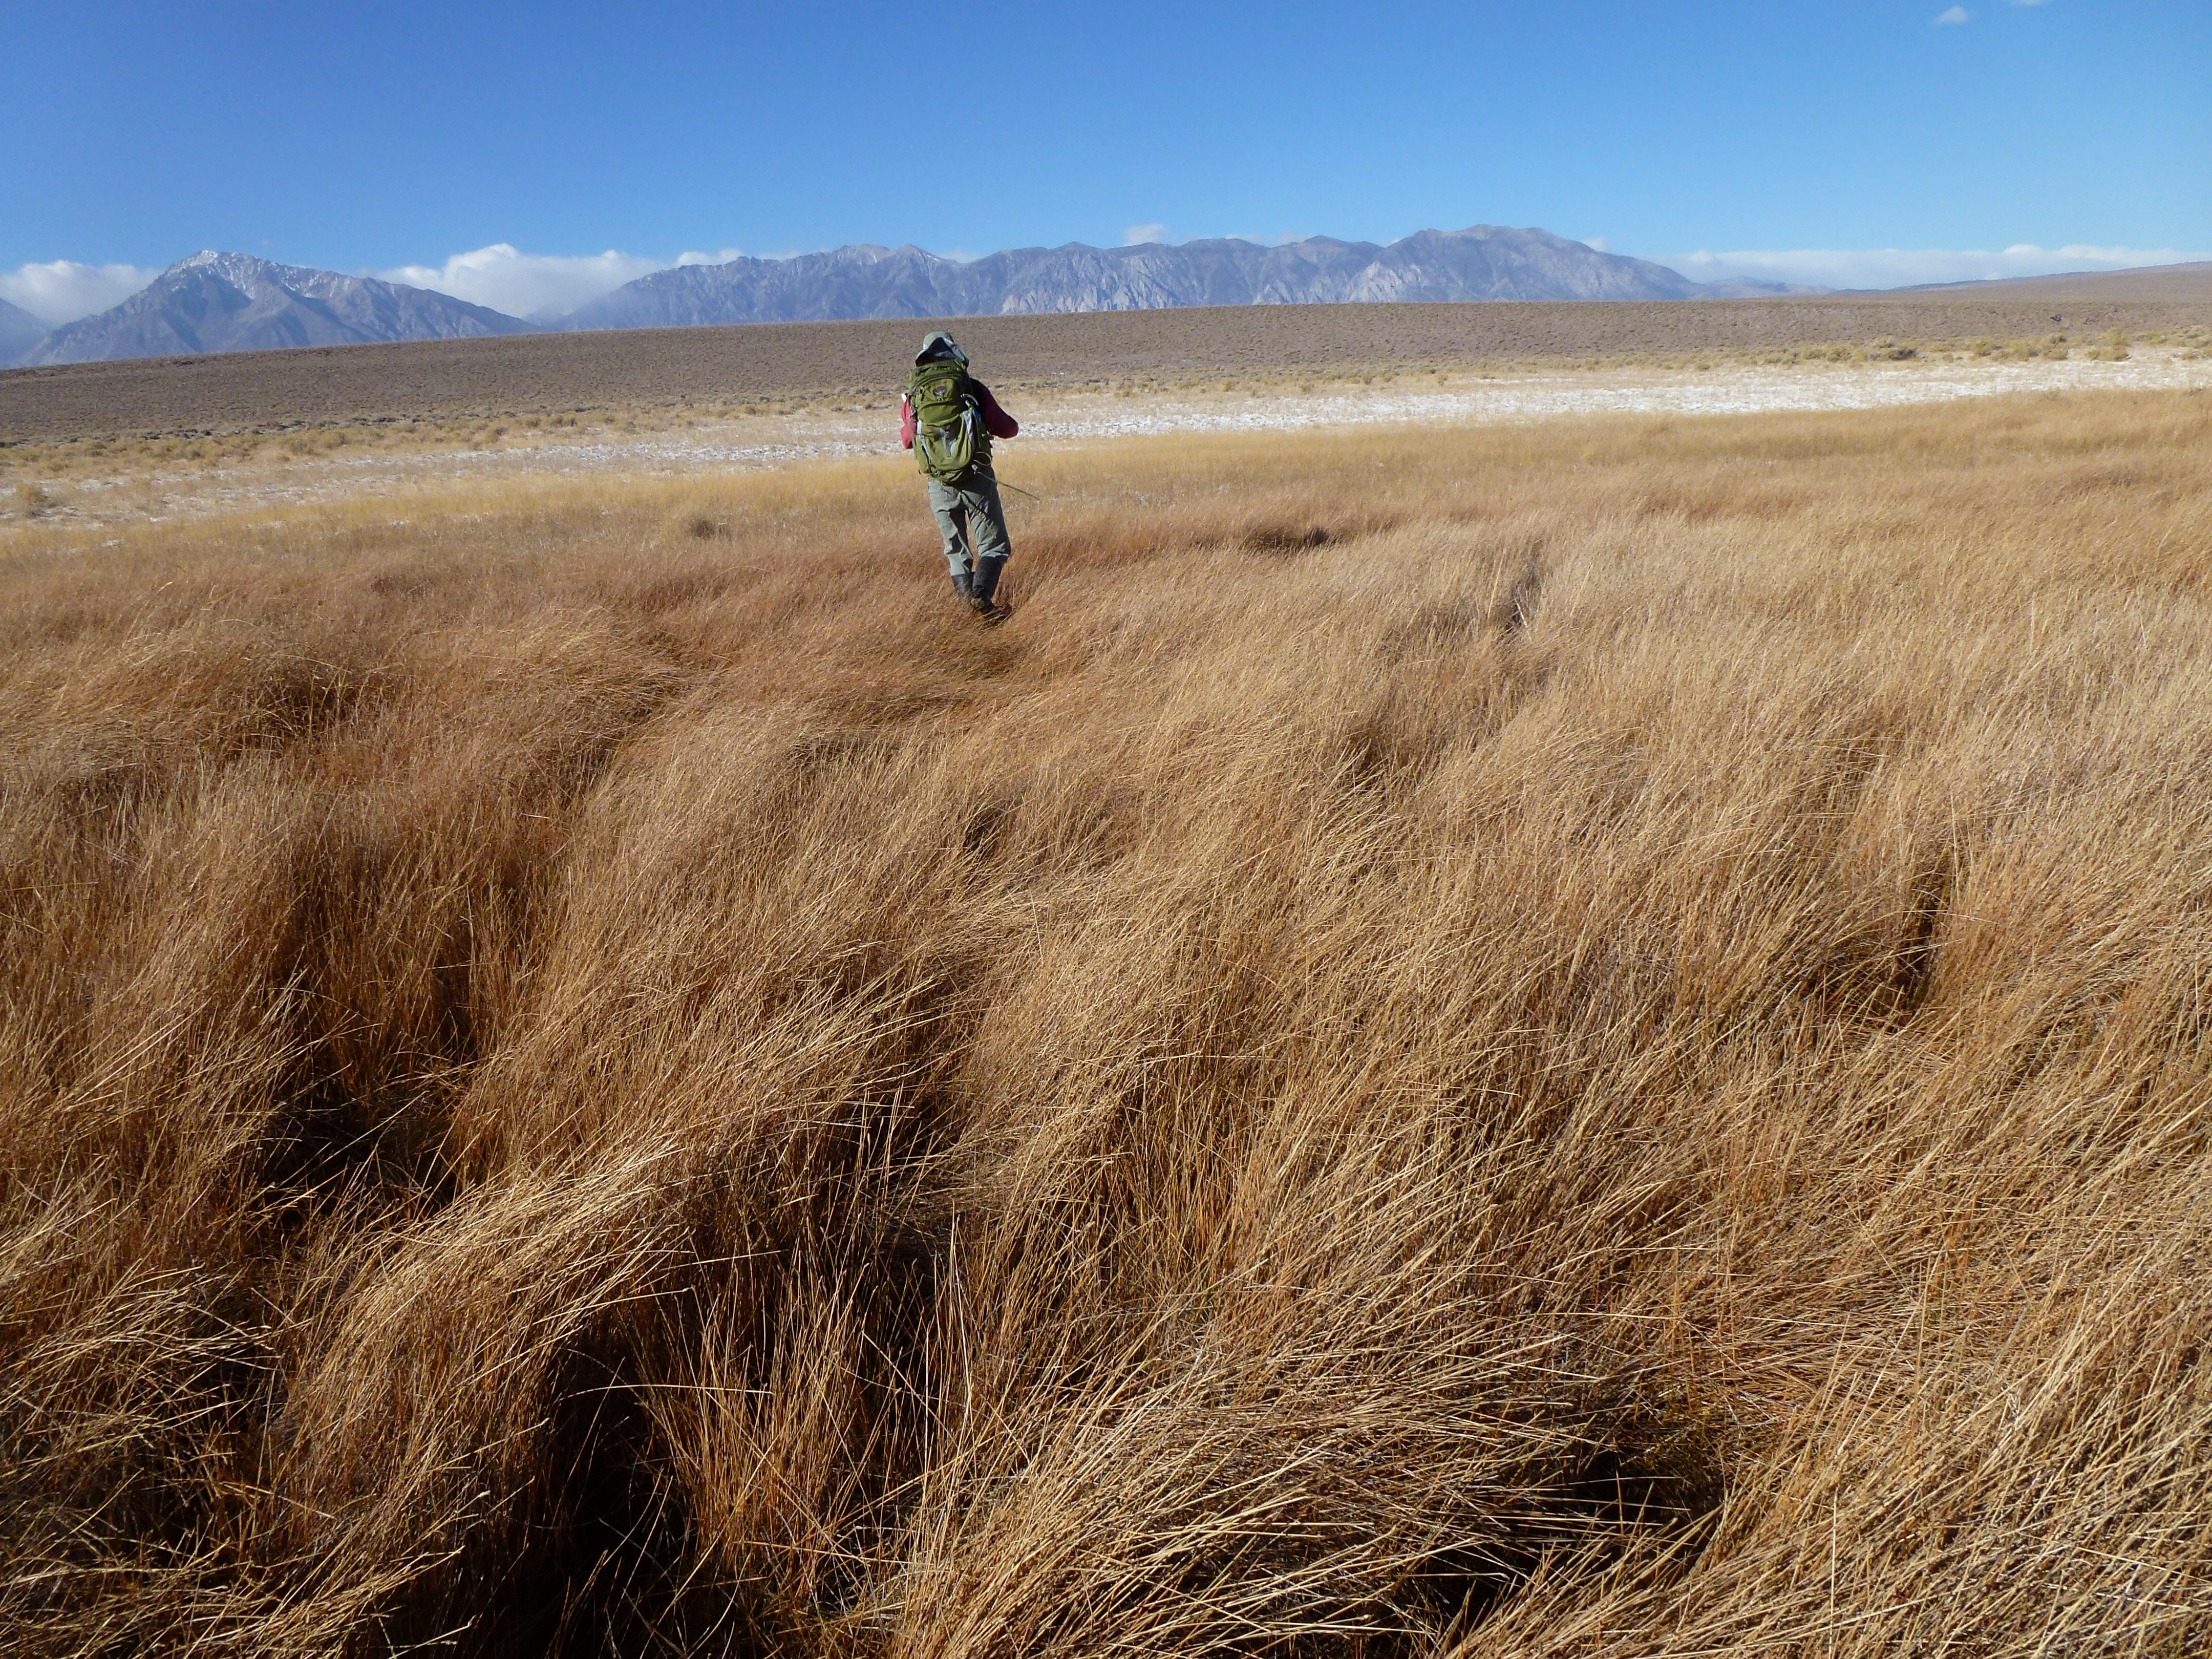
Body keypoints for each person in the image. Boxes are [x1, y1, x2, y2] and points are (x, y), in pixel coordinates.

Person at [902, 331, 1020, 622]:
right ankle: (981, 597)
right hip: (977, 478)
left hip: (939, 484)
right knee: (995, 546)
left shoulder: (914, 397)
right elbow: (1008, 429)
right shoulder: (971, 388)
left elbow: (907, 440)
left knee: (956, 551)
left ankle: (972, 611)